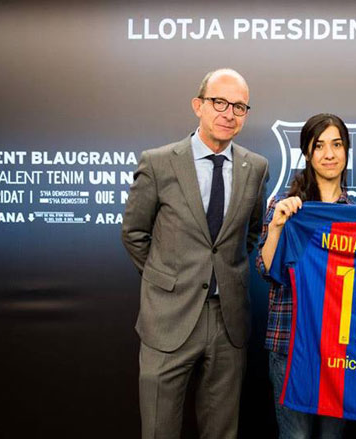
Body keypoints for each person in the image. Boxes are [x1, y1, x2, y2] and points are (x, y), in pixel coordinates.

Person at [121, 68, 269, 439]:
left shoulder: (256, 168)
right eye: (219, 102)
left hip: (228, 320)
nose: (228, 113)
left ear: (246, 115)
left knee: (222, 431)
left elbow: (250, 234)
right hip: (168, 317)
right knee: (159, 429)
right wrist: (167, 279)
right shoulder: (159, 162)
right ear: (198, 106)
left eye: (238, 106)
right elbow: (134, 233)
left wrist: (223, 272)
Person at [257, 113, 351, 438]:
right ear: (308, 154)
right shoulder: (284, 205)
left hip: (339, 348)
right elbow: (266, 269)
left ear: (346, 150)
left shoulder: (355, 212)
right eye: (319, 145)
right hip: (289, 341)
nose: (329, 154)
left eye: (336, 144)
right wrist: (277, 228)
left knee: (331, 436)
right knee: (295, 435)